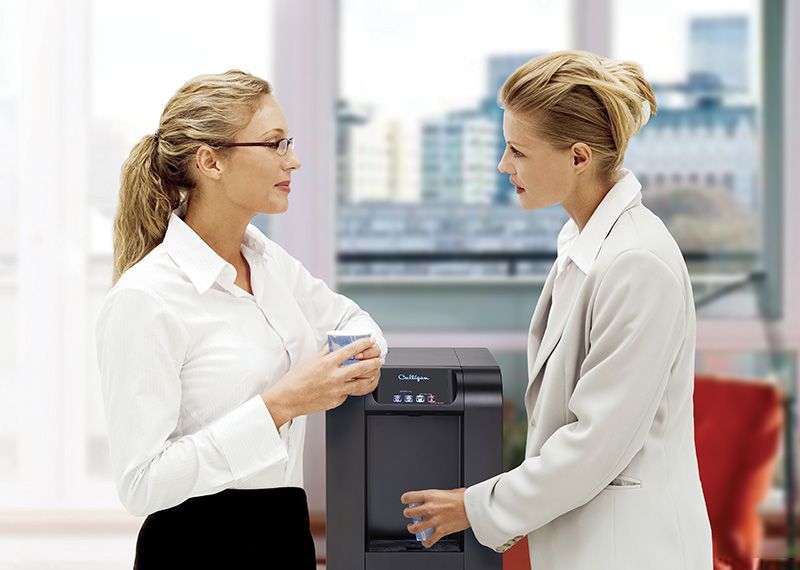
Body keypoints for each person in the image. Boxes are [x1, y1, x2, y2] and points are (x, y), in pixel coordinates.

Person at [401, 50, 713, 570]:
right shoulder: (585, 244)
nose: (505, 165)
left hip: (634, 552)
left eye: (518, 151)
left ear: (578, 157)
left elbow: (595, 443)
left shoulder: (635, 264)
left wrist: (474, 507)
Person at [95, 70, 387, 569]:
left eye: (288, 142)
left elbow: (354, 321)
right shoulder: (146, 298)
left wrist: (357, 362)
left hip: (284, 532)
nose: (292, 159)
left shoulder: (264, 259)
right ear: (211, 161)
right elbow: (141, 484)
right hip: (197, 546)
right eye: (275, 144)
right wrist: (279, 405)